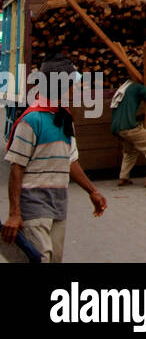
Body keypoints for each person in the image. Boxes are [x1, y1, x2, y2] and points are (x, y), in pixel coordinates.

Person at [2, 55, 107, 263]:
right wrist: (14, 213)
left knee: (54, 259)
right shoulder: (31, 120)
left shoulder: (64, 119)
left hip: (59, 205)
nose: (75, 90)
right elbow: (17, 168)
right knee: (41, 258)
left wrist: (92, 191)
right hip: (34, 205)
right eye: (72, 85)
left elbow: (71, 161)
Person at [111, 78, 146, 188]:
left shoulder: (124, 88)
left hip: (117, 128)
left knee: (130, 152)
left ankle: (123, 177)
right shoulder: (136, 87)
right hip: (129, 126)